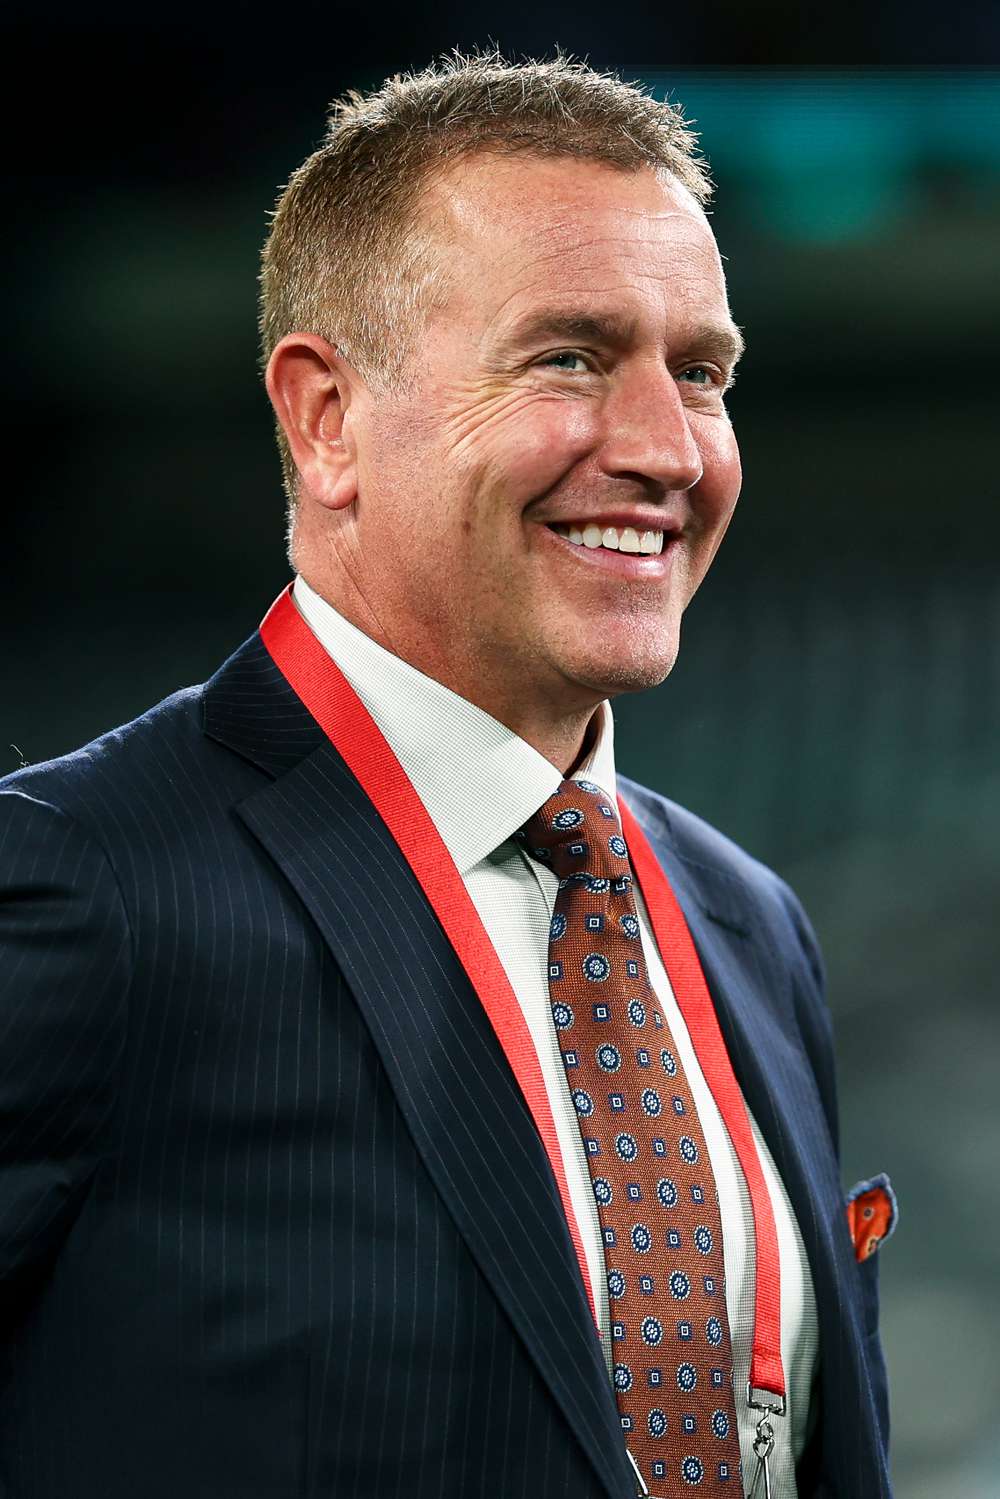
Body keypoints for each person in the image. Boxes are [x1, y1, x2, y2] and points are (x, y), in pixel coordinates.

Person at [0, 52, 894, 1499]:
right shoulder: (80, 885)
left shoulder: (749, 925)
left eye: (704, 374)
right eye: (568, 358)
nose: (669, 449)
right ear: (327, 418)